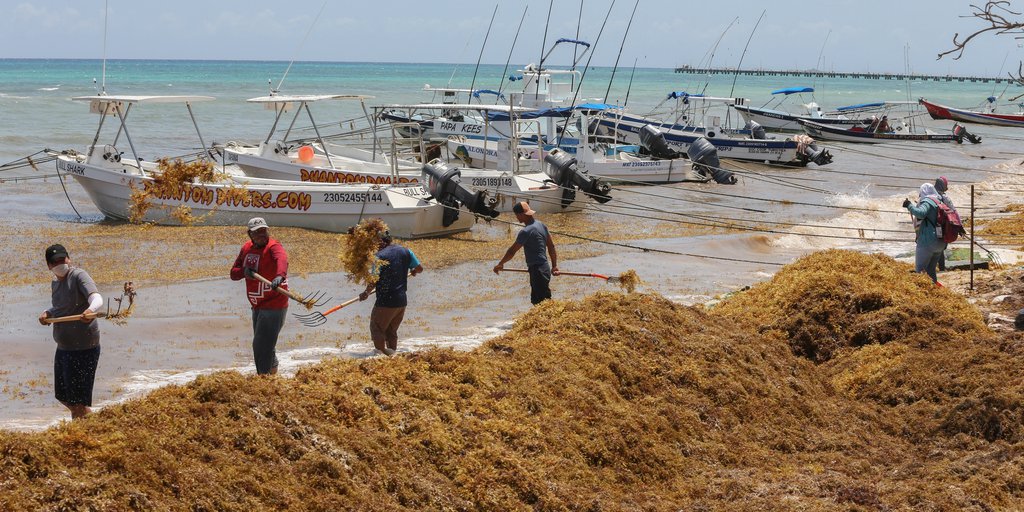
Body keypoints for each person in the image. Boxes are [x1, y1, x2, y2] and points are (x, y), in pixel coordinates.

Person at [37, 244, 103, 420]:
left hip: (84, 348)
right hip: (64, 348)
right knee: (64, 397)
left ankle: (85, 429)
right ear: (49, 266)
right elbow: (61, 307)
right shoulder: (55, 283)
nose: (60, 264)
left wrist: (90, 311)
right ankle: (92, 422)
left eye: (62, 259)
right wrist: (48, 313)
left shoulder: (78, 275)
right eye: (55, 262)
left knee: (77, 402)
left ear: (68, 259)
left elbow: (96, 298)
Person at [230, 217, 289, 375]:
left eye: (264, 231)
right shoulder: (246, 248)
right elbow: (233, 274)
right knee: (267, 344)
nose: (262, 235)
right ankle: (272, 377)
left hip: (275, 303)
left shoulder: (273, 246)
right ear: (250, 234)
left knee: (261, 345)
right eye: (257, 232)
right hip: (257, 304)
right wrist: (244, 272)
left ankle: (263, 379)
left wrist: (280, 276)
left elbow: (282, 260)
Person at [359, 230, 423, 356]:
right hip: (401, 301)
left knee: (377, 328)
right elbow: (419, 269)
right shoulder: (406, 251)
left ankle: (379, 356)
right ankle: (392, 355)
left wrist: (365, 293)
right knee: (391, 331)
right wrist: (413, 270)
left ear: (380, 242)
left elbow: (374, 280)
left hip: (386, 301)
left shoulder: (379, 257)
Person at [493, 201, 560, 304]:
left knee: (540, 302)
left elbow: (512, 251)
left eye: (516, 215)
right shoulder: (541, 225)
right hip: (545, 268)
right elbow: (551, 247)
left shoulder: (526, 232)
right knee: (543, 301)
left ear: (521, 214)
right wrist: (554, 266)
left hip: (537, 271)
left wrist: (501, 263)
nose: (517, 218)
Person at [903, 183, 947, 284]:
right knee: (931, 270)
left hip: (928, 241)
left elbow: (921, 213)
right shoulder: (938, 201)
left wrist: (909, 205)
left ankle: (923, 291)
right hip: (940, 242)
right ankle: (934, 290)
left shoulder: (927, 201)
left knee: (920, 270)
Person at [933, 176, 959, 271]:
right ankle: (941, 268)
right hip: (943, 226)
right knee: (941, 247)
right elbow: (953, 212)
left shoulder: (929, 196)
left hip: (931, 225)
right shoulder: (945, 198)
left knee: (933, 247)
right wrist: (959, 226)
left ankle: (933, 267)